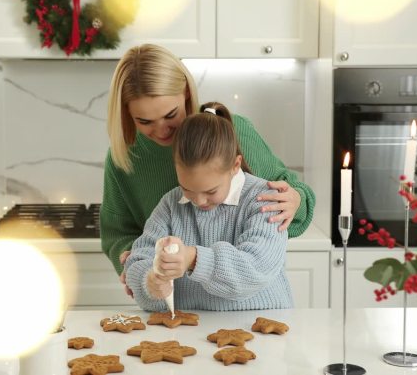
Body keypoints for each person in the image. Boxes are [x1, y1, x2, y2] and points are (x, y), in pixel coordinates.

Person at [101, 44, 315, 294]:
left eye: (171, 115)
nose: (161, 131)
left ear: (186, 94)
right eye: (145, 121)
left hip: (243, 300)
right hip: (177, 301)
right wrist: (134, 262)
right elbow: (117, 233)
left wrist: (295, 200)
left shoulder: (231, 133)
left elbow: (288, 191)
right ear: (127, 114)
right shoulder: (124, 157)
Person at [124, 102, 292, 311]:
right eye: (187, 188)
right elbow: (138, 259)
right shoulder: (170, 204)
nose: (199, 201)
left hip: (262, 326)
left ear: (235, 166)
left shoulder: (266, 200)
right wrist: (150, 282)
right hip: (190, 331)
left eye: (211, 191)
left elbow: (255, 269)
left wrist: (193, 258)